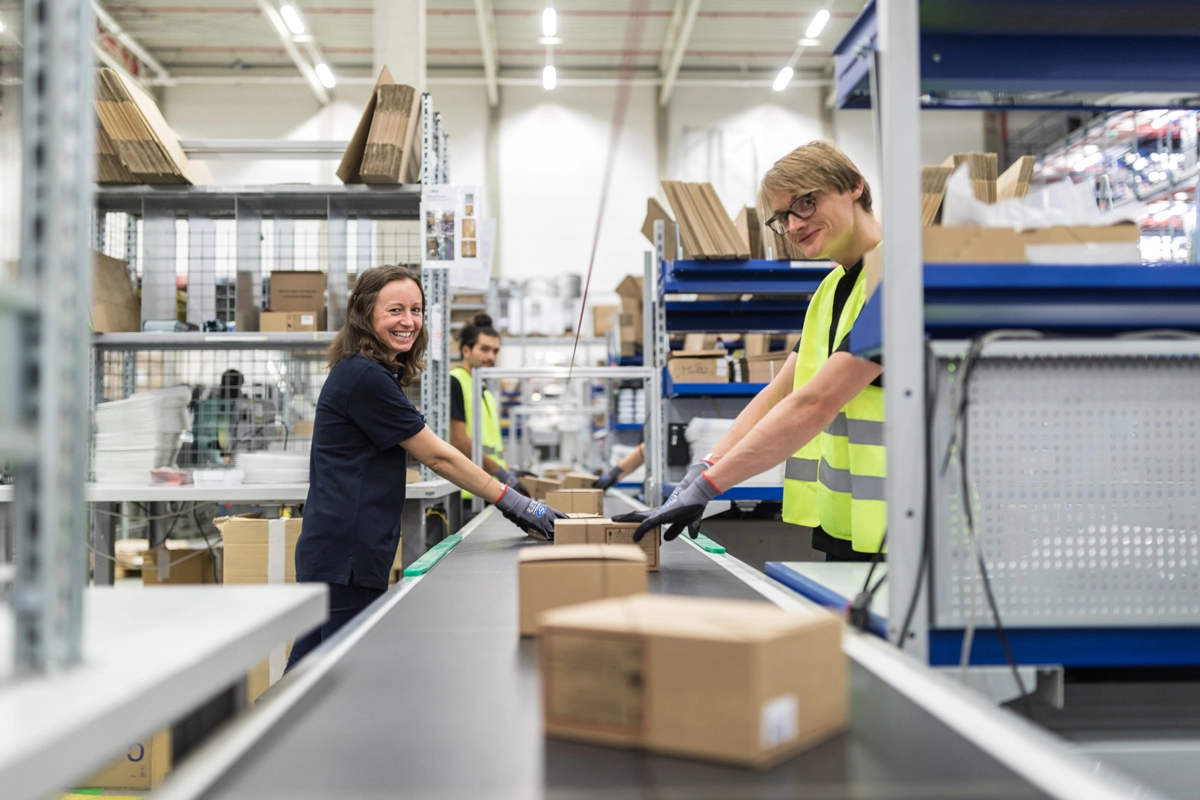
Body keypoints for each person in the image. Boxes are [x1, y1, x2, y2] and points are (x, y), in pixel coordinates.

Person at [615, 141, 885, 562]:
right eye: (782, 217)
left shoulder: (898, 278)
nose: (794, 225)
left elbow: (815, 404)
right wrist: (703, 469)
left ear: (854, 186)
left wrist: (711, 487)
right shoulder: (830, 290)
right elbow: (780, 393)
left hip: (912, 525)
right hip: (853, 526)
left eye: (806, 204)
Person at [288, 266, 566, 669]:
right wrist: (517, 503)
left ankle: (264, 727)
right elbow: (438, 454)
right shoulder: (366, 377)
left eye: (416, 310)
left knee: (307, 668)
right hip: (348, 552)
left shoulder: (367, 371)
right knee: (339, 675)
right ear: (365, 314)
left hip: (339, 548)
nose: (408, 321)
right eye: (395, 310)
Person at [449, 314, 528, 498]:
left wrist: (508, 471)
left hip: (488, 487)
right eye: (484, 349)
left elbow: (491, 444)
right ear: (466, 351)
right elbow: (459, 441)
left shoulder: (484, 390)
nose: (491, 357)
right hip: (467, 491)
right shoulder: (456, 382)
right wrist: (500, 472)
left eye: (495, 351)